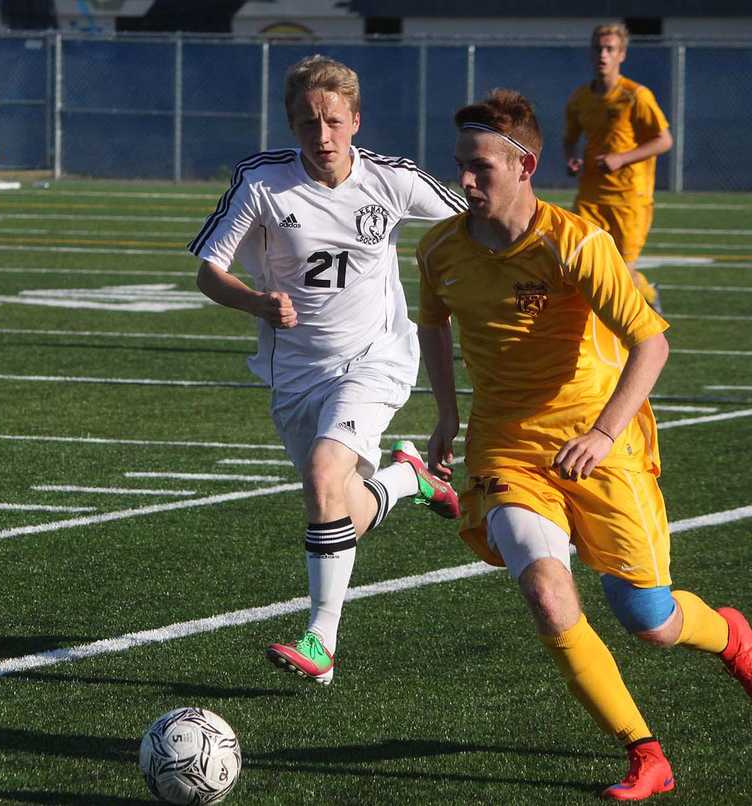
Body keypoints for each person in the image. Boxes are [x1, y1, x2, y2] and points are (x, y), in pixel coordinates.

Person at [416, 88, 751, 800]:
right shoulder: (439, 247)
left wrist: (603, 432)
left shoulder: (575, 243)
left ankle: (734, 638)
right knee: (544, 588)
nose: (465, 182)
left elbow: (651, 343)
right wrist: (446, 414)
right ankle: (644, 752)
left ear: (524, 164)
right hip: (506, 451)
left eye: (480, 168)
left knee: (650, 621)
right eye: (460, 167)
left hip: (600, 445)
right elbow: (434, 324)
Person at [189, 54, 466, 686]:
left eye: (334, 121)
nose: (323, 137)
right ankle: (404, 483)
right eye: (309, 122)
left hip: (376, 358)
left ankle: (321, 639)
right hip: (295, 374)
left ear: (356, 120)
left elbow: (475, 218)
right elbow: (209, 272)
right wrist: (255, 301)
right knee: (334, 503)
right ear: (292, 124)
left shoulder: (392, 180)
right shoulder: (262, 182)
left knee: (322, 474)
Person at [564, 22, 673, 314]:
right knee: (583, 260)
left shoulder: (636, 96)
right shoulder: (580, 98)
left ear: (621, 55)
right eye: (599, 48)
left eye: (610, 49)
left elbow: (664, 140)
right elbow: (570, 139)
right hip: (590, 196)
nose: (603, 54)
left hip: (630, 198)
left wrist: (622, 158)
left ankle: (648, 294)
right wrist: (571, 158)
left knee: (623, 270)